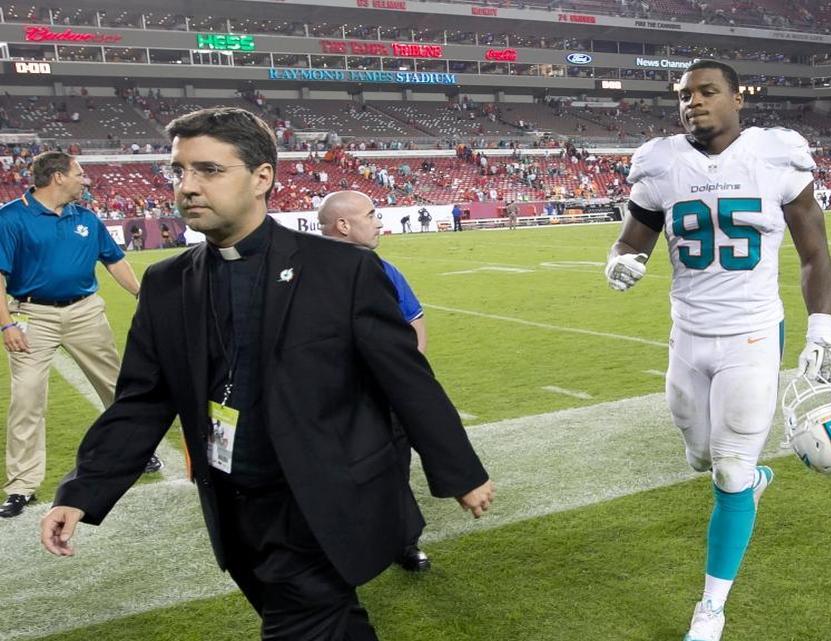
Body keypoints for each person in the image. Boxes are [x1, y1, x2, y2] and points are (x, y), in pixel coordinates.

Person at [40, 108, 494, 640]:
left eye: (208, 170)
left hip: (323, 500)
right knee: (322, 621)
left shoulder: (342, 270)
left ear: (262, 178)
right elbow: (142, 399)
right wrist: (81, 491)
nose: (187, 186)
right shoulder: (166, 284)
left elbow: (406, 379)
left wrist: (459, 472)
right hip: (233, 509)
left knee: (303, 623)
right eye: (178, 171)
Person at [603, 60, 831, 641]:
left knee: (730, 467)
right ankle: (750, 479)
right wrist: (619, 261)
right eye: (685, 94)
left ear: (739, 99)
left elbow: (814, 252)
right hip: (687, 335)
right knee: (699, 457)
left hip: (753, 333)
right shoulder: (660, 164)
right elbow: (629, 238)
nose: (693, 102)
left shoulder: (774, 156)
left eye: (708, 92)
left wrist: (822, 331)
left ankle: (710, 608)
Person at [0, 151, 158, 520]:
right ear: (57, 177)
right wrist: (6, 323)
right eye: (79, 173)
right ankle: (21, 486)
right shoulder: (10, 218)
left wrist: (143, 296)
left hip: (86, 311)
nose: (84, 180)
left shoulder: (86, 217)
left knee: (116, 385)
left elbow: (115, 261)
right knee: (26, 398)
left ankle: (135, 449)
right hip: (31, 314)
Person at [317, 190, 432, 572]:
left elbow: (413, 319)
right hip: (333, 402)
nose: (380, 222)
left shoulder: (384, 269)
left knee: (395, 467)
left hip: (385, 396)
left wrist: (405, 373)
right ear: (344, 225)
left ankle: (403, 541)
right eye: (371, 215)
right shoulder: (305, 271)